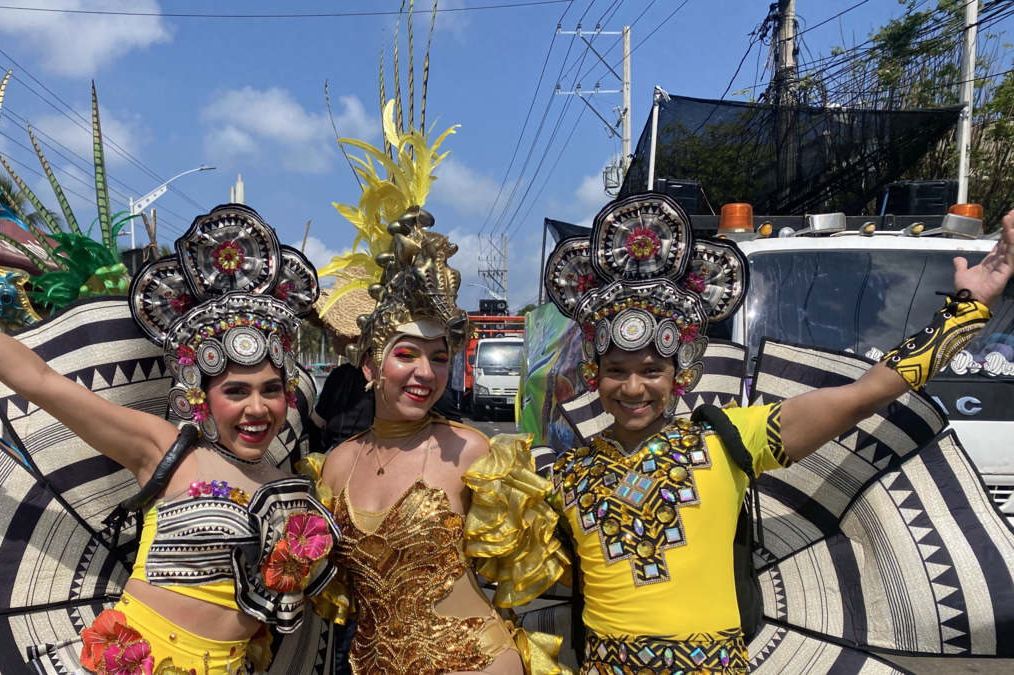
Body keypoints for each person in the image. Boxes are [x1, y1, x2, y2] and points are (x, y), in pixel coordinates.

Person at [0, 179, 340, 671]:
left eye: (271, 390)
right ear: (201, 396)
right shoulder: (164, 449)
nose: (257, 408)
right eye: (235, 391)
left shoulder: (291, 482)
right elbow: (37, 379)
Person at [537, 192, 1014, 673]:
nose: (634, 387)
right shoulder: (568, 472)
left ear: (680, 374)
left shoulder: (727, 440)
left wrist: (970, 306)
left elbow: (864, 395)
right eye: (617, 370)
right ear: (594, 375)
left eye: (651, 370)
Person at [301, 90, 570, 675]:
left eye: (439, 356)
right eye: (406, 355)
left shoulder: (470, 452)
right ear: (370, 366)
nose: (425, 372)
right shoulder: (335, 466)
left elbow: (516, 569)